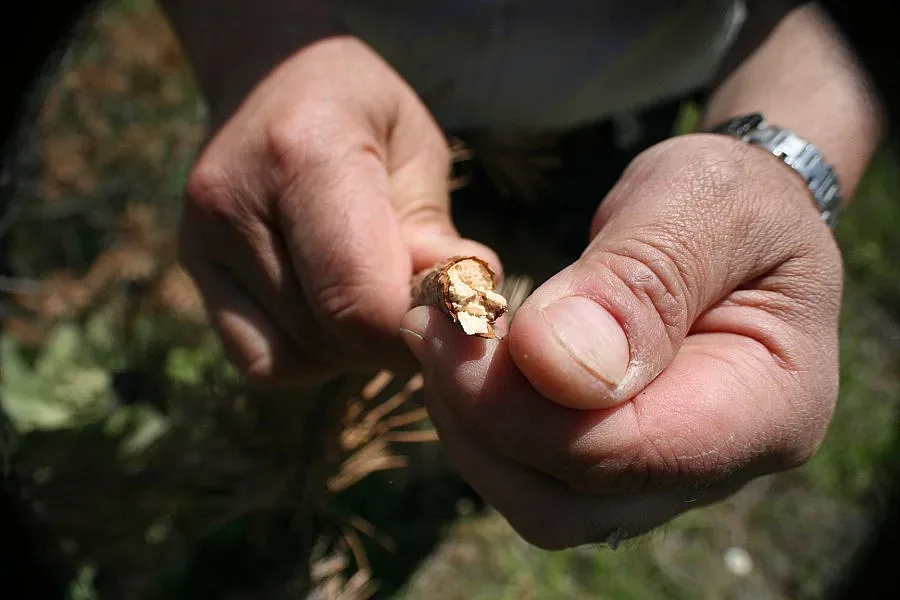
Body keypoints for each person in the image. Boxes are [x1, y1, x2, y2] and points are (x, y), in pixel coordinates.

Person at [157, 0, 883, 550]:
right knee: (331, 321)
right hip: (328, 99)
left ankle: (439, 481)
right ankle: (304, 492)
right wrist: (251, 42)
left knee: (529, 394)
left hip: (621, 130)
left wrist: (784, 164)